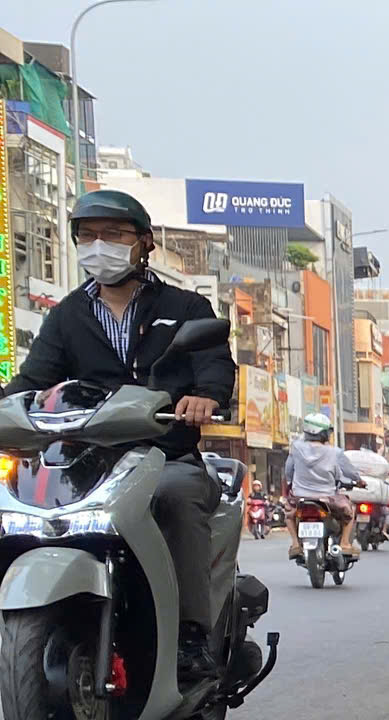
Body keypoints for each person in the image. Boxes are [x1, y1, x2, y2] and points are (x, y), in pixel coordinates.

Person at [3, 190, 233, 684]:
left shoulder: (185, 305)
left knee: (173, 500)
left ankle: (192, 635)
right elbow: (33, 379)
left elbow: (213, 363)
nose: (98, 245)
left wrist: (205, 397)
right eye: (87, 235)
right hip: (88, 462)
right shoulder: (66, 315)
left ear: (144, 242)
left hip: (163, 455)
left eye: (113, 234)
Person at [284, 412, 360, 561]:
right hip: (328, 498)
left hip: (300, 496)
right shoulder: (335, 452)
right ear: (324, 433)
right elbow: (350, 472)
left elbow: (288, 470)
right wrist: (359, 481)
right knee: (349, 513)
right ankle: (344, 543)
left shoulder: (296, 448)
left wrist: (290, 482)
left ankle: (295, 544)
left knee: (289, 515)